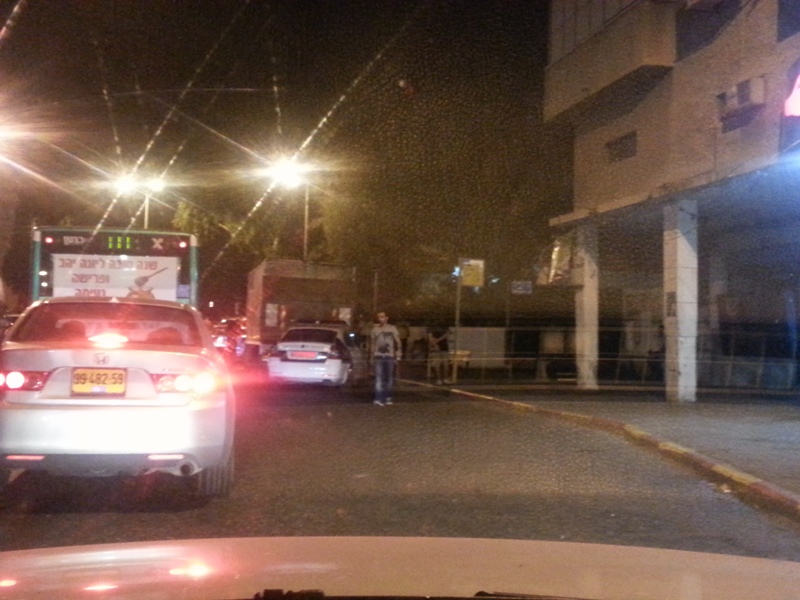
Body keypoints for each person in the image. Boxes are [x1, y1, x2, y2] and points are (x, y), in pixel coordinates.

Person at [370, 311, 402, 406]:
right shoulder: (375, 329)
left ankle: (388, 397)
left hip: (389, 355)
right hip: (378, 355)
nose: (381, 318)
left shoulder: (392, 328)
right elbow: (372, 343)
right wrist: (372, 356)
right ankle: (379, 397)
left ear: (386, 318)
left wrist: (399, 352)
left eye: (382, 316)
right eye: (379, 317)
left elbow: (398, 341)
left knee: (389, 378)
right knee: (379, 378)